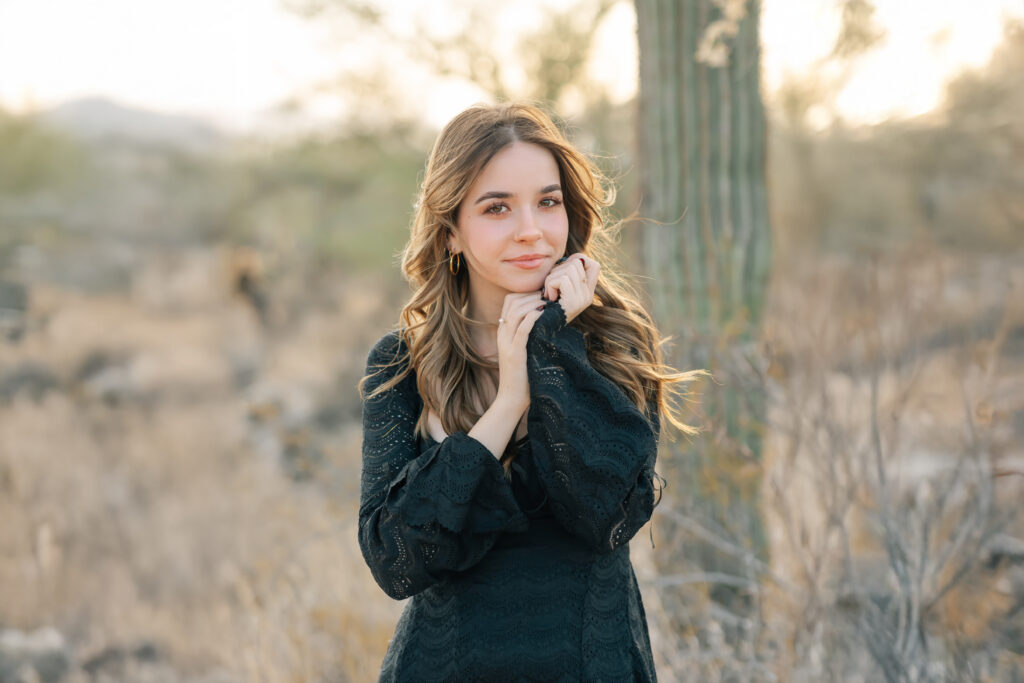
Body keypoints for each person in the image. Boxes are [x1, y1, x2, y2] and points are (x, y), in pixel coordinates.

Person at [357, 101, 707, 682]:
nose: (531, 230)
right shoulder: (401, 364)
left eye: (548, 202)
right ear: (450, 233)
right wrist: (509, 403)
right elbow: (396, 563)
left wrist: (551, 349)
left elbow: (607, 517)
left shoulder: (617, 345)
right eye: (497, 208)